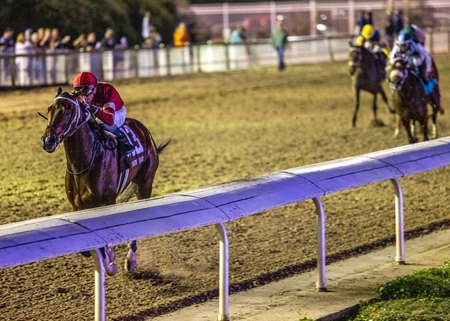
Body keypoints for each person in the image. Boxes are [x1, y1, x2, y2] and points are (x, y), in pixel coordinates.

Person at [72, 71, 134, 153]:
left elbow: (109, 120)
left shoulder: (106, 91)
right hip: (98, 111)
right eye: (79, 93)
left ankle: (124, 143)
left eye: (86, 92)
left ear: (94, 89)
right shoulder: (83, 95)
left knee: (104, 125)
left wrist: (93, 109)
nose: (83, 98)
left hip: (116, 111)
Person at [388, 26, 443, 113]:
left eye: (404, 45)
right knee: (393, 75)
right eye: (400, 45)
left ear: (409, 43)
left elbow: (427, 57)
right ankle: (394, 97)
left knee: (416, 63)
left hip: (414, 62)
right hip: (402, 63)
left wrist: (428, 70)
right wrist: (396, 63)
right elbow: (391, 58)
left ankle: (430, 96)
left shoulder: (416, 45)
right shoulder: (396, 47)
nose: (402, 47)